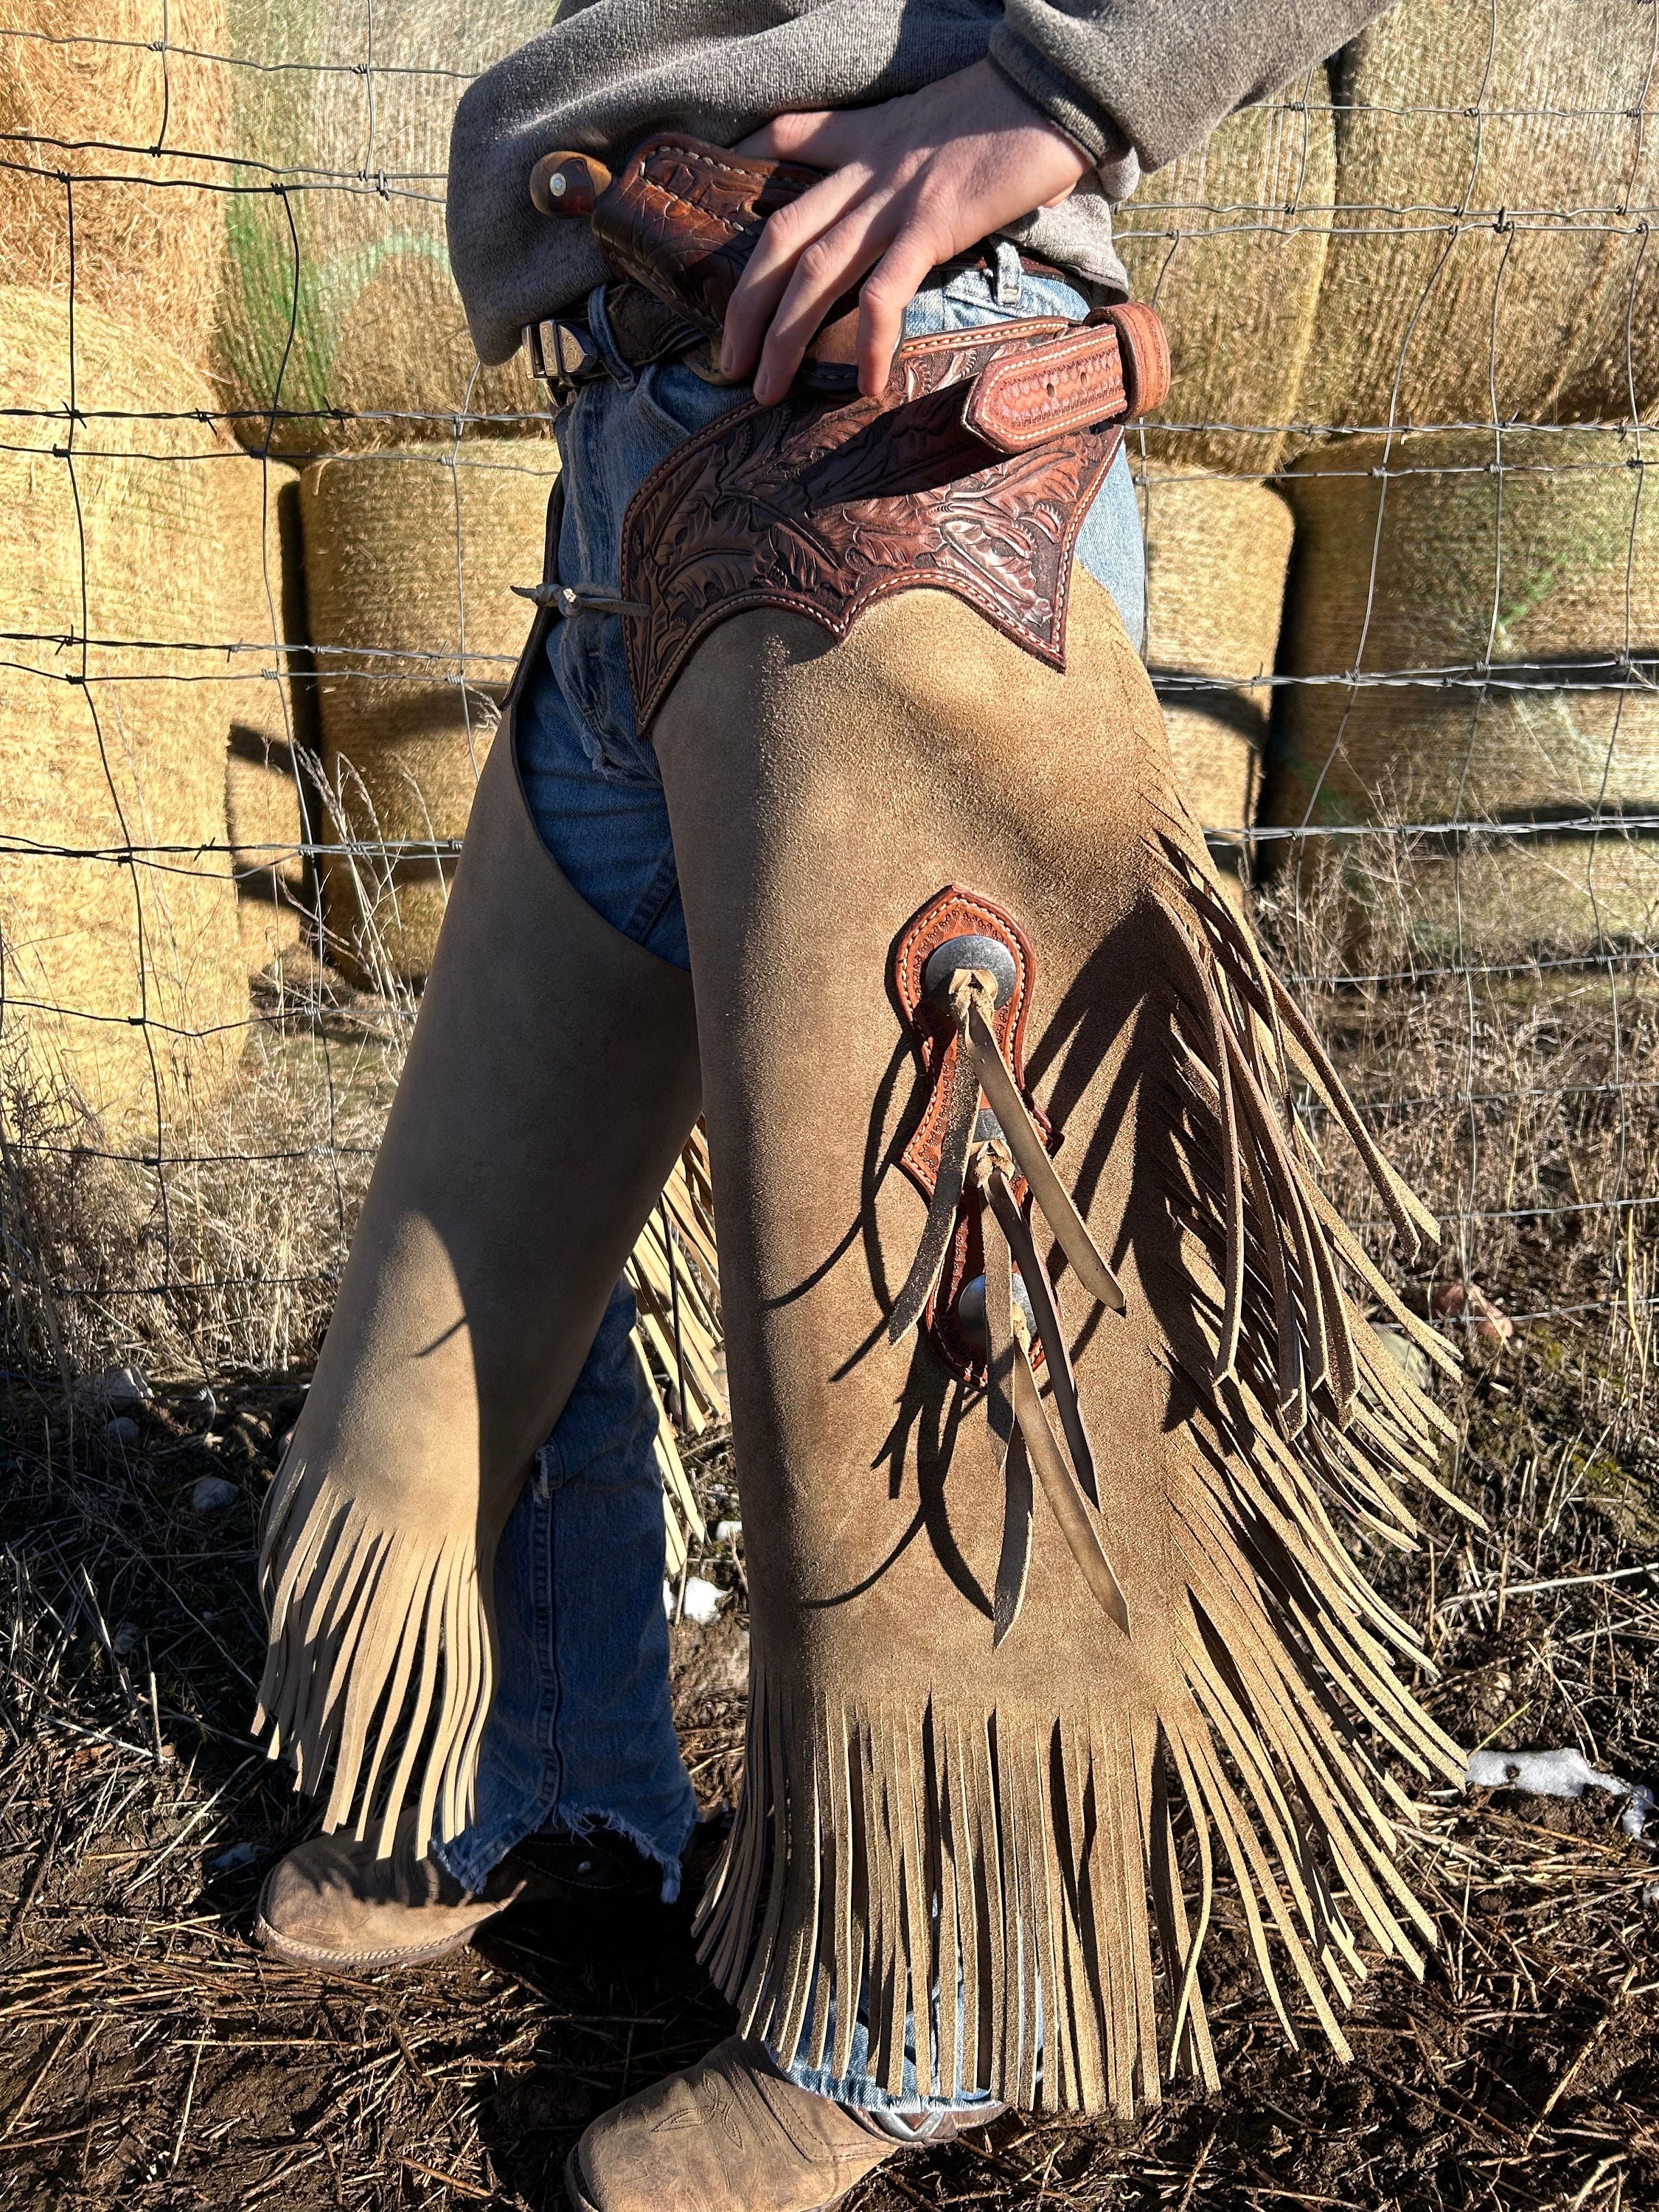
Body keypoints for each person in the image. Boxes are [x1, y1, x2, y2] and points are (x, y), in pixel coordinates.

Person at [247, 7, 1453, 2209]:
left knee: (931, 1296)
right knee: (476, 1240)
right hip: (644, 432)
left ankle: (934, 2007)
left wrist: (1067, 83)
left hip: (903, 443)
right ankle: (529, 1774)